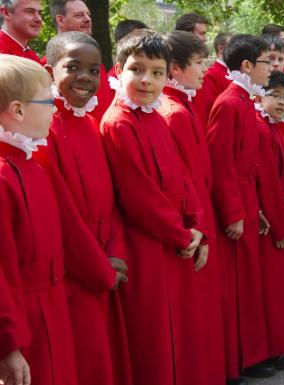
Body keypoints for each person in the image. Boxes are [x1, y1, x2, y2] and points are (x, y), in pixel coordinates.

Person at [0, 53, 118, 385]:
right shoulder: (4, 177)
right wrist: (9, 345)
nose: (55, 107)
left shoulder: (30, 166)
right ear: (18, 110)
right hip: (27, 319)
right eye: (47, 100)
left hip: (53, 302)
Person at [100, 29, 210, 385]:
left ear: (168, 75)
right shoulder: (118, 122)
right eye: (137, 70)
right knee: (155, 339)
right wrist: (182, 234)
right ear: (119, 70)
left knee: (181, 332)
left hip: (176, 240)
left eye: (157, 72)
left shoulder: (154, 116)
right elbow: (139, 197)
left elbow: (181, 177)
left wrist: (198, 226)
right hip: (148, 245)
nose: (146, 80)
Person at [44, 31, 132, 385]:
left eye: (94, 70)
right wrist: (100, 266)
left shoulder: (89, 121)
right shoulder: (47, 128)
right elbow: (62, 213)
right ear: (51, 70)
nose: (85, 77)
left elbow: (110, 199)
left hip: (106, 256)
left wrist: (117, 251)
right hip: (78, 268)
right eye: (73, 67)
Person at [158, 30, 226, 385]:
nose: (205, 70)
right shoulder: (174, 112)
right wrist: (197, 229)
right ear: (176, 68)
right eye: (199, 63)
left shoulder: (179, 106)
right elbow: (185, 181)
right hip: (193, 223)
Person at [205, 34, 272, 384]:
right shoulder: (229, 103)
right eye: (266, 62)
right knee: (235, 286)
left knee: (248, 282)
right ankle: (237, 359)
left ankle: (250, 354)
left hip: (247, 197)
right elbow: (219, 162)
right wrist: (232, 212)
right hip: (235, 200)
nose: (271, 69)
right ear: (247, 66)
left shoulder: (244, 100)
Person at [254, 70, 284, 372]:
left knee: (278, 287)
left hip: (273, 216)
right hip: (266, 223)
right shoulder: (260, 128)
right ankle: (269, 348)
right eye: (275, 96)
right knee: (268, 290)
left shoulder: (274, 128)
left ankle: (279, 342)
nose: (281, 103)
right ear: (261, 96)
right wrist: (281, 227)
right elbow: (267, 183)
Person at [49, 0, 114, 122]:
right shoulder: (49, 64)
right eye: (79, 15)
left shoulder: (97, 64)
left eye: (88, 15)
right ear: (60, 20)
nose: (88, 19)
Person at [192, 31, 232, 133]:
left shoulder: (232, 73)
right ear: (221, 48)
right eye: (232, 45)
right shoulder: (211, 75)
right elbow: (205, 111)